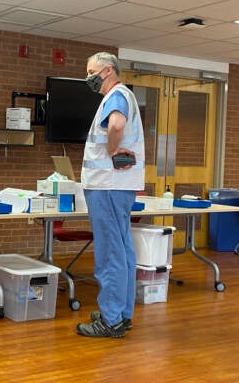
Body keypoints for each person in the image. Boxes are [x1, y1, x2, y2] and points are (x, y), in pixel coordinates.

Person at [77, 52, 145, 338]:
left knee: (110, 253)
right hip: (119, 186)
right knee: (123, 250)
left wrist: (112, 150)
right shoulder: (125, 96)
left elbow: (115, 125)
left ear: (107, 71)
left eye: (91, 72)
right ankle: (121, 313)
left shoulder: (116, 95)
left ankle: (111, 320)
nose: (88, 78)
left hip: (107, 185)